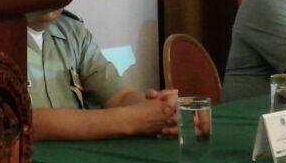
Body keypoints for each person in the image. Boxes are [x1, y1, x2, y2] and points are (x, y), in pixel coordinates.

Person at [27, 9, 177, 140]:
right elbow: (28, 123)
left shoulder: (73, 31)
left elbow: (119, 96)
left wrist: (163, 108)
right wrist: (130, 120)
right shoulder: (11, 37)